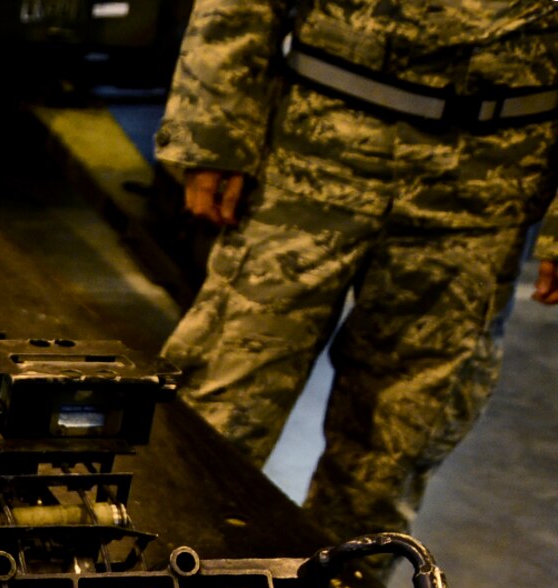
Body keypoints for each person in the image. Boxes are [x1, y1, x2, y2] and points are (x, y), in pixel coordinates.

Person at [156, 0, 558, 543]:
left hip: (490, 183)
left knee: (396, 447)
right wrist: (214, 128)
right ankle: (154, 574)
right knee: (221, 404)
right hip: (318, 149)